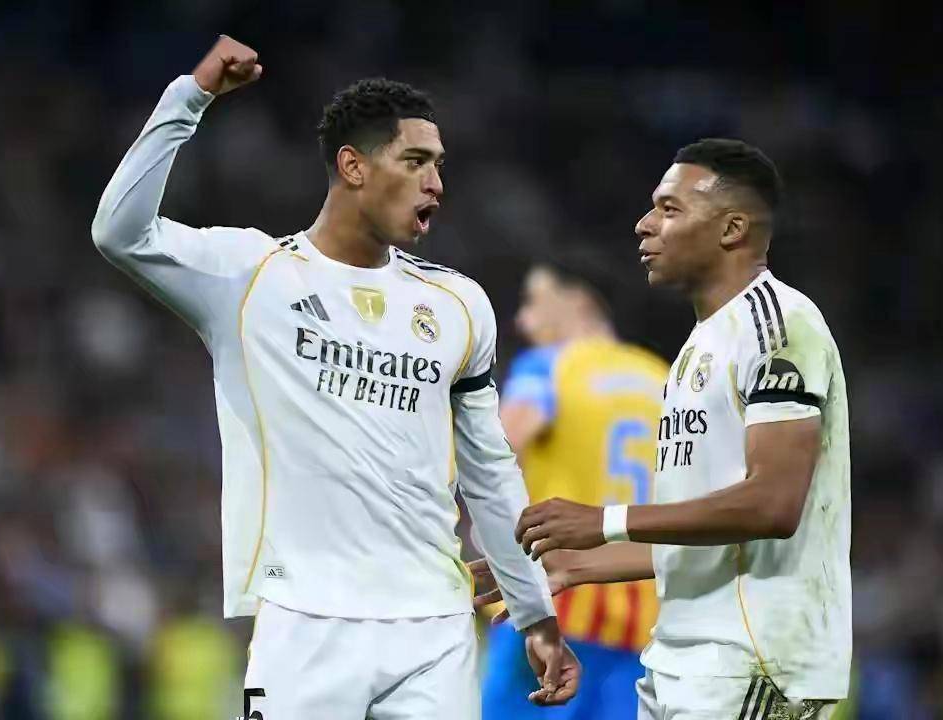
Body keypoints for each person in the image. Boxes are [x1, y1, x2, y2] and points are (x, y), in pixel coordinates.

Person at [91, 35, 579, 719]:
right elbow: (120, 233)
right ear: (353, 166)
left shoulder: (458, 304)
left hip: (434, 626)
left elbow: (490, 470)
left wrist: (535, 613)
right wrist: (190, 97)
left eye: (439, 165)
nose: (435, 183)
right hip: (304, 621)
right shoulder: (249, 276)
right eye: (415, 161)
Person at [476, 139, 851, 719]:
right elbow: (709, 530)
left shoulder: (779, 325)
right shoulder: (681, 360)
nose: (644, 224)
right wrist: (574, 566)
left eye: (669, 209)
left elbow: (774, 505)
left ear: (732, 229)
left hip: (751, 657)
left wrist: (604, 522)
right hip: (673, 655)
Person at [476, 261, 667, 720]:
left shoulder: (548, 367)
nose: (523, 320)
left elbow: (498, 448)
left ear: (578, 300)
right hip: (644, 617)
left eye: (534, 301)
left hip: (556, 605)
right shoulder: (664, 378)